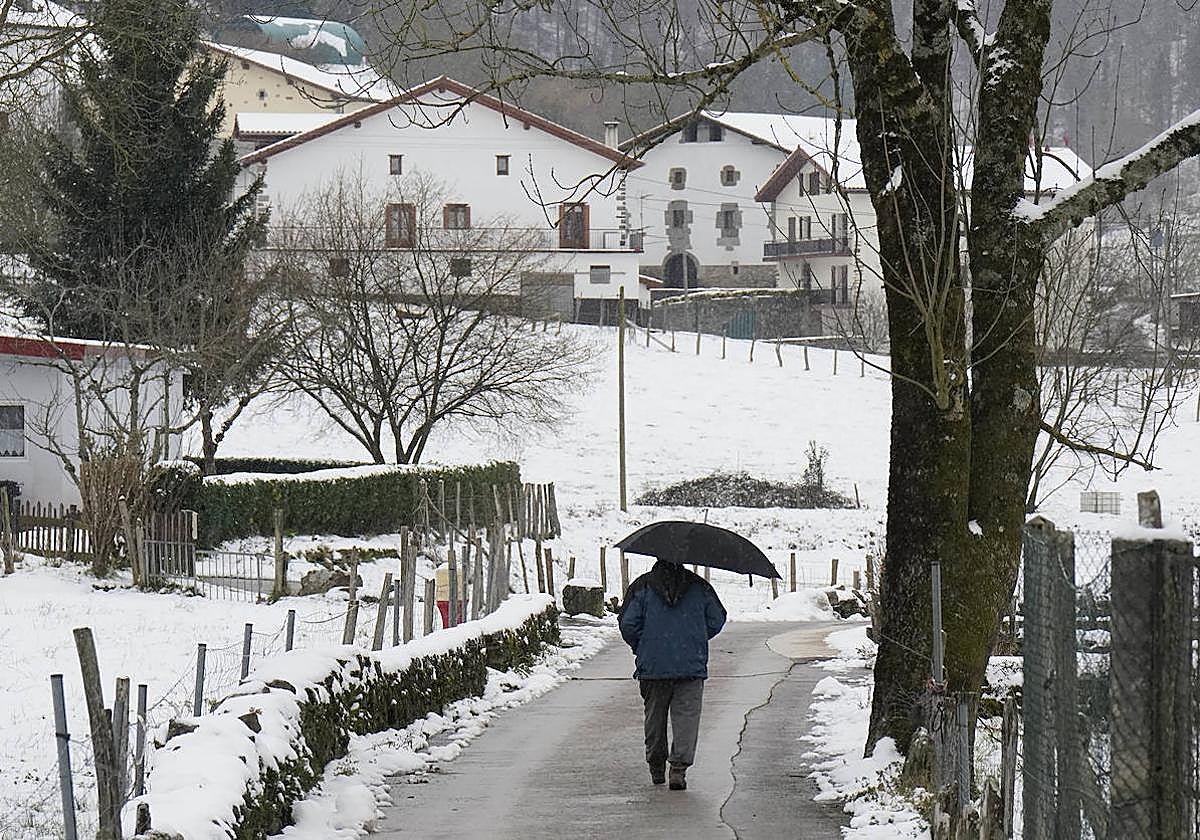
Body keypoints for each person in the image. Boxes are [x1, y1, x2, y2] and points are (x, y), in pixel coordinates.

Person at [618, 557, 727, 791]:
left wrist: (643, 645)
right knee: (686, 718)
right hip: (690, 665)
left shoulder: (642, 586)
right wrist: (695, 637)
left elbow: (628, 624)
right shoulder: (700, 587)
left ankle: (656, 766)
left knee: (654, 717)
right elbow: (717, 619)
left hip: (653, 665)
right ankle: (678, 769)